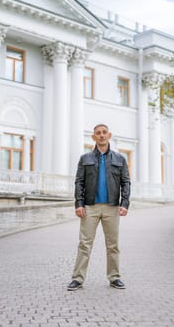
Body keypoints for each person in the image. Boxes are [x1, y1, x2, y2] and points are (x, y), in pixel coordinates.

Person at [67, 124, 131, 291]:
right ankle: (78, 279)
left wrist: (125, 203)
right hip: (90, 207)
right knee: (84, 244)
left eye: (104, 133)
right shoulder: (85, 158)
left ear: (109, 135)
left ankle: (114, 277)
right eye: (98, 133)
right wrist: (79, 204)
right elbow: (79, 182)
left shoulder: (120, 159)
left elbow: (126, 182)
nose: (101, 135)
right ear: (93, 137)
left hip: (112, 207)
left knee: (113, 245)